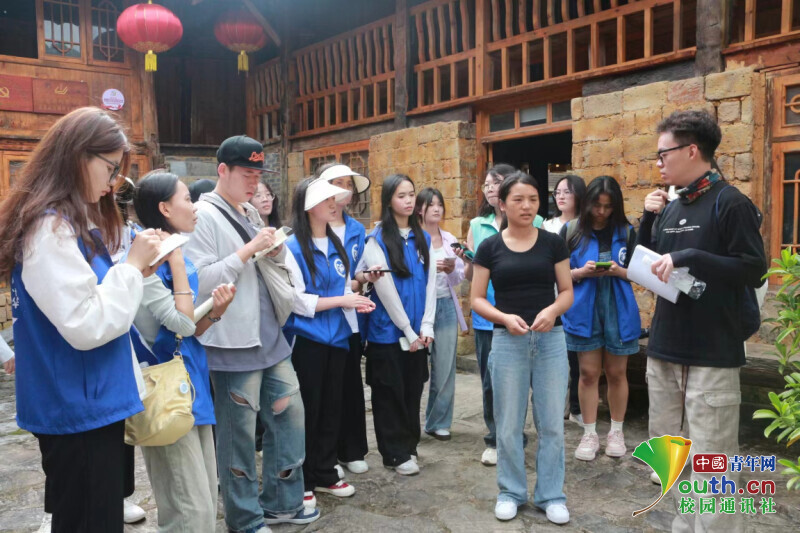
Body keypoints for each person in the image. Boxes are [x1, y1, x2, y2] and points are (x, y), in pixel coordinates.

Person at [0, 107, 163, 533]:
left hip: (83, 399)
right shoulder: (49, 230)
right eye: (110, 168)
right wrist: (132, 267)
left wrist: (134, 271)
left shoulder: (63, 223)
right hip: (78, 403)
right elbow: (87, 324)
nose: (113, 182)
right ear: (78, 157)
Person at [637, 110, 766, 532]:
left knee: (713, 463)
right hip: (665, 347)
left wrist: (692, 257)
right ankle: (683, 524)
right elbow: (648, 260)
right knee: (670, 456)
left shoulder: (731, 203)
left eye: (663, 153)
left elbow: (753, 268)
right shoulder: (672, 206)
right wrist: (648, 219)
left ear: (692, 150)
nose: (658, 163)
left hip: (712, 353)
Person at [183, 135, 319, 533]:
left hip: (269, 335)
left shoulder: (249, 212)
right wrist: (248, 250)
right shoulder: (202, 215)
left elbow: (266, 262)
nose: (254, 182)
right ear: (222, 170)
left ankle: (282, 502)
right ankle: (244, 518)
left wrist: (274, 250)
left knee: (290, 416)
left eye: (258, 174)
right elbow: (200, 279)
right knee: (238, 434)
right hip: (231, 341)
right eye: (247, 173)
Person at [131, 171, 237, 532]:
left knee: (204, 497)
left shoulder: (176, 253)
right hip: (165, 391)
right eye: (187, 199)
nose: (194, 207)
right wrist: (175, 261)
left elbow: (190, 331)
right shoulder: (149, 258)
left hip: (191, 381)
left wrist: (216, 311)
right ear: (164, 208)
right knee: (188, 508)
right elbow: (182, 324)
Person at [471, 171, 573, 525]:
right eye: (518, 199)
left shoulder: (553, 243)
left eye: (533, 199)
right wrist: (503, 317)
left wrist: (552, 311)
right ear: (502, 204)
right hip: (507, 341)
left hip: (551, 341)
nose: (527, 206)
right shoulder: (490, 247)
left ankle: (551, 495)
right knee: (508, 425)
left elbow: (567, 292)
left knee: (552, 424)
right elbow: (476, 298)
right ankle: (511, 492)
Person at [284, 176, 375, 505]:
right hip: (307, 340)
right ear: (309, 206)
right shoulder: (292, 247)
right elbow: (297, 301)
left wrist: (356, 297)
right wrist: (342, 301)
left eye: (334, 199)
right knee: (308, 410)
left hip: (338, 337)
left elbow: (343, 286)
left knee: (332, 407)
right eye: (326, 200)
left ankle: (325, 471)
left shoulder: (336, 244)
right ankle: (304, 479)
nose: (334, 204)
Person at [457, 163, 543, 466]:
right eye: (487, 184)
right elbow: (471, 278)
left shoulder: (537, 221)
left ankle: (517, 434)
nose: (491, 188)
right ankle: (495, 438)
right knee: (491, 381)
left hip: (527, 315)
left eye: (497, 182)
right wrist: (467, 260)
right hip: (488, 316)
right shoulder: (477, 225)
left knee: (525, 380)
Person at [353, 174, 436, 476]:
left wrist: (427, 324)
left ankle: (409, 446)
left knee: (413, 389)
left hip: (418, 331)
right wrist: (407, 329)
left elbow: (430, 283)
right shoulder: (376, 239)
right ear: (389, 200)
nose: (409, 200)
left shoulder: (423, 237)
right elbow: (385, 290)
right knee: (390, 392)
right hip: (387, 333)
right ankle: (394, 454)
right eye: (401, 195)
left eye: (412, 194)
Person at [560, 176, 640, 461]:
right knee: (588, 373)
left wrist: (619, 271)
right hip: (584, 309)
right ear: (587, 203)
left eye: (608, 206)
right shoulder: (572, 231)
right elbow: (557, 274)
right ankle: (589, 433)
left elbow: (641, 273)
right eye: (597, 205)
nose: (602, 212)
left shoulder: (627, 232)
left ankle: (616, 432)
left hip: (618, 309)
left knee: (617, 373)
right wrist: (580, 273)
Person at [317, 163, 373, 477]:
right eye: (337, 183)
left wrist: (364, 278)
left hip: (350, 318)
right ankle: (325, 455)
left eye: (348, 184)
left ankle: (352, 450)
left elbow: (357, 272)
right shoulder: (311, 227)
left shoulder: (356, 230)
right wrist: (347, 285)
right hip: (320, 319)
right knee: (325, 389)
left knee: (351, 385)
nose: (343, 189)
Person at [416, 187, 467, 441]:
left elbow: (459, 277)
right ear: (420, 209)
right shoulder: (413, 238)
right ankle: (409, 422)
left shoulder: (449, 239)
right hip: (418, 307)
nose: (436, 209)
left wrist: (450, 269)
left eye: (439, 204)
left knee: (445, 366)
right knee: (415, 368)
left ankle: (438, 421)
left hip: (445, 305)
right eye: (431, 204)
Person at [542, 175, 586, 425]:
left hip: (578, 297)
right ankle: (559, 406)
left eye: (566, 192)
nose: (560, 196)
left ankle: (577, 407)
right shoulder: (547, 226)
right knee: (556, 356)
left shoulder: (585, 227)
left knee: (576, 356)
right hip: (551, 297)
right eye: (557, 192)